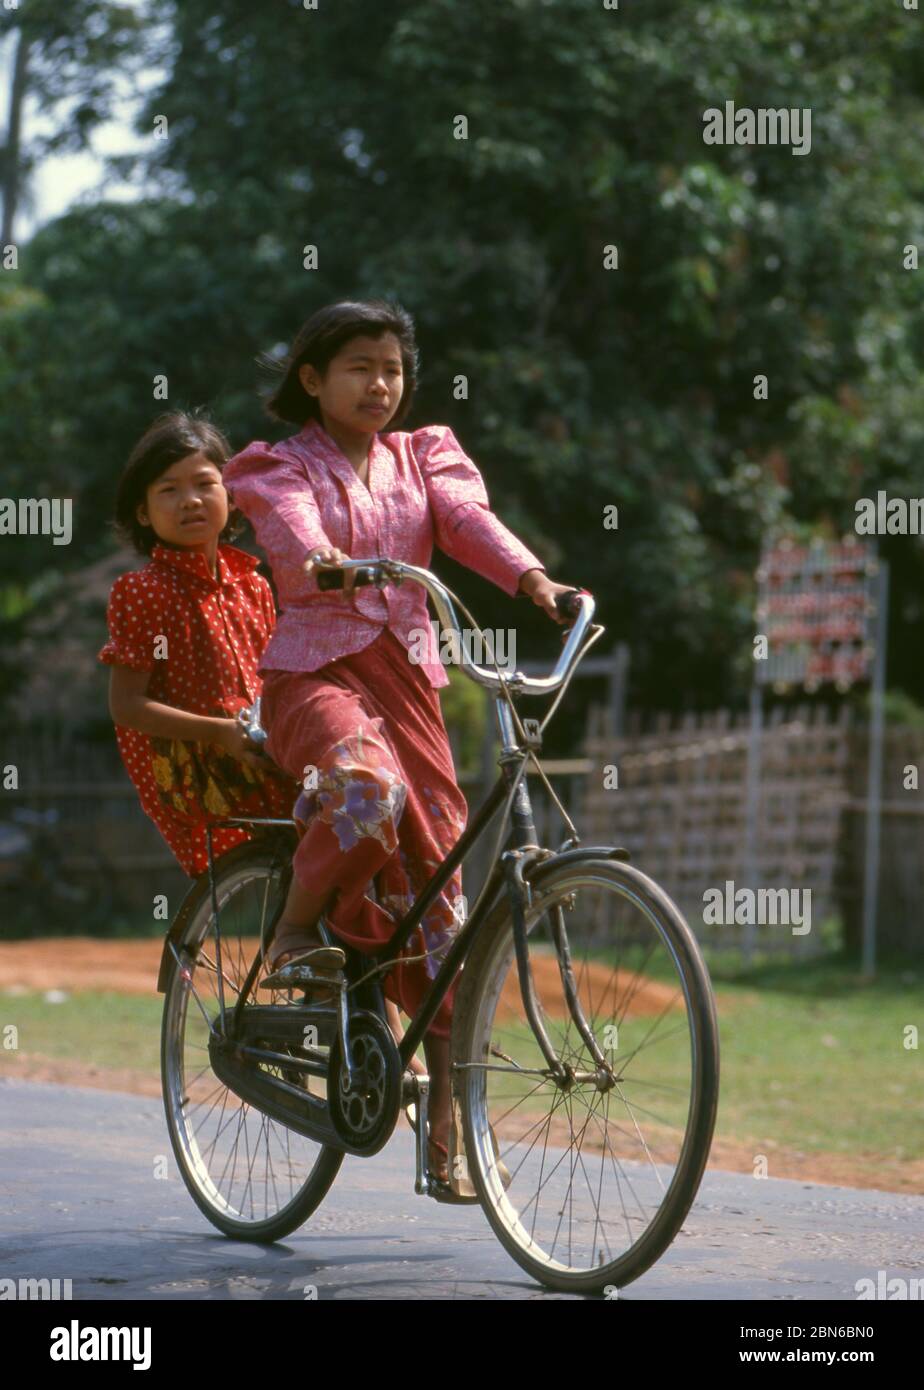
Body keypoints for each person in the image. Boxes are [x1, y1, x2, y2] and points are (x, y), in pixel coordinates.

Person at [223, 298, 577, 1195]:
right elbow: (294, 534)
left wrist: (531, 576)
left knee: (446, 912)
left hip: (413, 682)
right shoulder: (277, 464)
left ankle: (448, 1143)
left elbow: (463, 520)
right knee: (365, 788)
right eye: (359, 368)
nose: (380, 384)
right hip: (315, 676)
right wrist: (324, 565)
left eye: (392, 368)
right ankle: (297, 935)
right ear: (313, 379)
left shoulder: (424, 456)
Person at [98, 411, 299, 881]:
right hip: (197, 766)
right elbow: (127, 706)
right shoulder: (143, 590)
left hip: (259, 747)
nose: (190, 501)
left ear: (230, 494)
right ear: (144, 512)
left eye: (204, 484)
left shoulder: (254, 586)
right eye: (169, 489)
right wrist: (217, 733)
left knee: (361, 799)